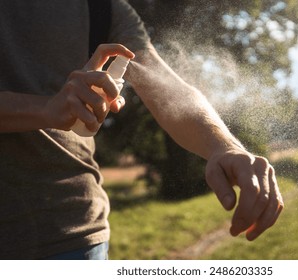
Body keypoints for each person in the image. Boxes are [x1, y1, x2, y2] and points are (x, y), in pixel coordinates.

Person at [0, 0, 283, 259]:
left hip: (73, 235)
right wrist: (45, 108)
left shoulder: (103, 6)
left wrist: (224, 147)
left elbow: (164, 84)